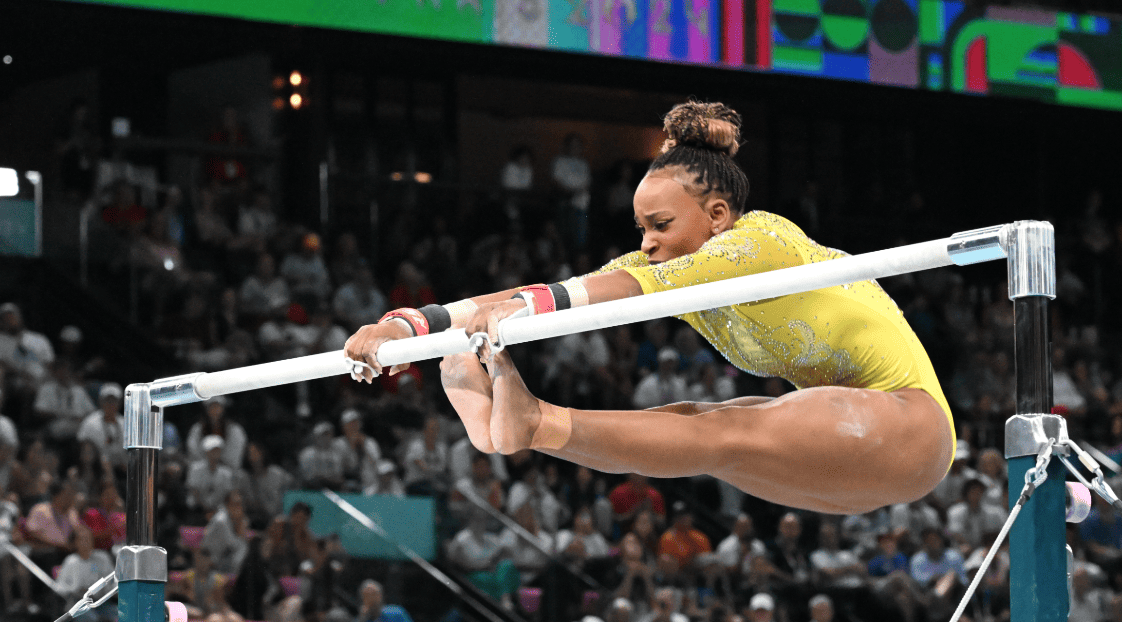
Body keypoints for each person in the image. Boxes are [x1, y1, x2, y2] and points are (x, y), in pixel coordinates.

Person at [344, 100, 956, 515]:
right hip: (849, 454)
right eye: (640, 228)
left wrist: (522, 311)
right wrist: (406, 326)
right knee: (702, 432)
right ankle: (536, 427)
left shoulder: (761, 241)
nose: (646, 244)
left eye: (660, 224)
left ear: (716, 217)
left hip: (912, 426)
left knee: (723, 425)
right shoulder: (667, 269)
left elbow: (584, 298)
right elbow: (559, 294)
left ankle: (531, 419)